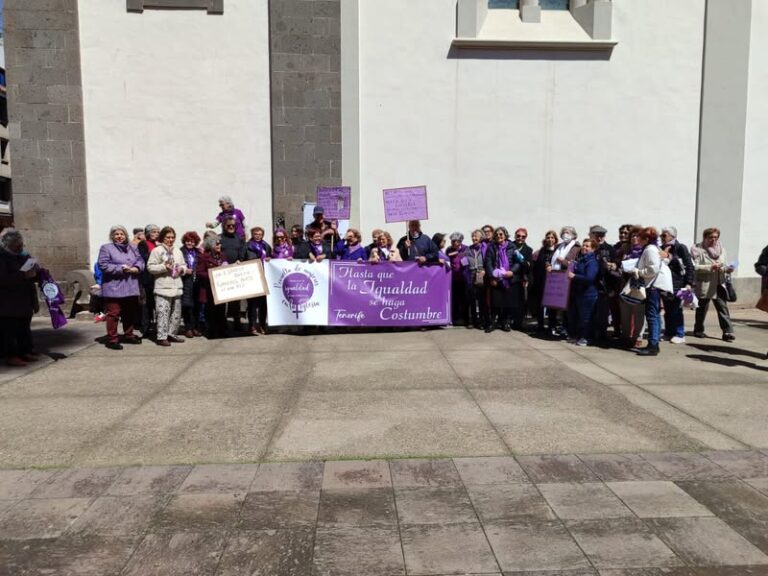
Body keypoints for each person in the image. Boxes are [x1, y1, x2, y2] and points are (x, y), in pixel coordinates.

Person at [97, 225, 145, 350]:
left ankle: (129, 335)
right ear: (112, 236)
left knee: (129, 313)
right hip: (114, 287)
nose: (119, 236)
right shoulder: (106, 248)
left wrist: (136, 268)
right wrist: (121, 269)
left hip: (130, 286)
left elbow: (140, 260)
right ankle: (112, 339)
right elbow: (103, 265)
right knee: (113, 314)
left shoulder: (133, 248)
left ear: (126, 235)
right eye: (116, 234)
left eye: (121, 234)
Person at [0, 229, 40, 366]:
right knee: (10, 330)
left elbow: (32, 270)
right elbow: (3, 279)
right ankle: (11, 355)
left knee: (24, 327)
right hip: (8, 301)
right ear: (8, 245)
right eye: (17, 246)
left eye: (21, 245)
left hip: (24, 298)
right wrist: (22, 275)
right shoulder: (2, 258)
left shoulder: (22, 256)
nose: (20, 248)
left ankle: (25, 351)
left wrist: (36, 270)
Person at [691, 227, 735, 341]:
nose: (713, 240)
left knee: (722, 308)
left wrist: (727, 269)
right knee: (702, 308)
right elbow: (694, 267)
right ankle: (698, 330)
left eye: (716, 237)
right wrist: (710, 267)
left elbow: (723, 265)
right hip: (705, 283)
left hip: (719, 283)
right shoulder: (697, 249)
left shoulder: (722, 249)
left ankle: (727, 332)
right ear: (705, 237)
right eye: (711, 237)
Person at [147, 226, 187, 346]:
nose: (170, 240)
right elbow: (150, 267)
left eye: (172, 237)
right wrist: (164, 267)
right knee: (163, 313)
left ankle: (172, 334)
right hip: (163, 287)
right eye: (167, 237)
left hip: (177, 286)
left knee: (176, 314)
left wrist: (182, 269)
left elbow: (184, 265)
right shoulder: (157, 250)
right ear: (162, 238)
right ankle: (161, 336)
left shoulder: (178, 251)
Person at [484, 226, 525, 333]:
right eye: (497, 234)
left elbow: (518, 262)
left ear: (505, 235)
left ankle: (505, 322)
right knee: (495, 303)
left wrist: (512, 271)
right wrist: (492, 277)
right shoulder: (492, 247)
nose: (499, 236)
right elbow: (488, 262)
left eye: (501, 234)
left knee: (508, 302)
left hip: (510, 279)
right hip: (497, 278)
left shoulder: (512, 247)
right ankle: (492, 322)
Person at [659, 226, 694, 344]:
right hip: (666, 283)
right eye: (661, 236)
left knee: (677, 309)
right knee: (668, 309)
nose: (662, 238)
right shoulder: (661, 248)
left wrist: (689, 282)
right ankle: (669, 332)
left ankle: (680, 333)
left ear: (672, 236)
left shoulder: (680, 248)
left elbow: (688, 265)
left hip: (678, 283)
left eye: (664, 235)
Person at [546, 226, 580, 338]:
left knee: (565, 306)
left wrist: (563, 261)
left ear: (573, 235)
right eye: (564, 232)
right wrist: (548, 265)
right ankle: (552, 326)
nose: (566, 234)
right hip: (554, 278)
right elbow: (549, 258)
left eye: (568, 232)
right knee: (552, 304)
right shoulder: (558, 246)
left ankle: (565, 328)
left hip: (566, 280)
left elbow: (573, 264)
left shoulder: (576, 247)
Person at [633, 227, 662, 356]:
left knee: (652, 316)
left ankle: (653, 345)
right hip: (651, 286)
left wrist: (639, 272)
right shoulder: (651, 249)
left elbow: (653, 269)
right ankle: (653, 343)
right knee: (653, 315)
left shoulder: (650, 250)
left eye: (640, 237)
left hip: (652, 286)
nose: (637, 239)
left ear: (647, 239)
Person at [567, 239, 600, 346]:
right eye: (583, 245)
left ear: (593, 249)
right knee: (578, 317)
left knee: (586, 318)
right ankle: (578, 336)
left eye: (587, 246)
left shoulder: (592, 262)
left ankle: (586, 338)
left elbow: (589, 278)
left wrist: (574, 276)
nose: (584, 248)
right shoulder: (581, 260)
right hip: (579, 293)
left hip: (588, 294)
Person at [588, 225, 617, 343]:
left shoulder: (610, 249)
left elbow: (615, 267)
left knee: (602, 312)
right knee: (590, 311)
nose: (599, 238)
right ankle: (591, 333)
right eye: (596, 235)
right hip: (590, 284)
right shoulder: (588, 247)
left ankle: (602, 335)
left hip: (604, 284)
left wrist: (612, 287)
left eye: (602, 236)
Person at [219, 216, 247, 331]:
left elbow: (242, 251)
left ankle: (237, 322)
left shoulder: (239, 238)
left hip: (235, 271)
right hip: (222, 271)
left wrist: (240, 259)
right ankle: (222, 323)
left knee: (236, 300)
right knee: (222, 300)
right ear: (224, 226)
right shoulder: (219, 238)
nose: (231, 227)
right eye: (229, 225)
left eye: (233, 226)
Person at [529, 230, 558, 332]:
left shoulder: (558, 251)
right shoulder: (542, 251)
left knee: (552, 306)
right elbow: (537, 267)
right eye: (548, 237)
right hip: (541, 281)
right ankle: (540, 325)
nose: (550, 239)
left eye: (552, 237)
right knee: (540, 305)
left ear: (555, 239)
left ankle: (552, 326)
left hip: (553, 282)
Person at [246, 227, 272, 335]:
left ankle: (262, 324)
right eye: (256, 234)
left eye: (260, 234)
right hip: (251, 278)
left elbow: (271, 257)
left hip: (264, 278)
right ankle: (252, 325)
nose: (258, 236)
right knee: (252, 304)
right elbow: (242, 258)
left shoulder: (266, 246)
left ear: (263, 235)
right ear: (252, 234)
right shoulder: (247, 246)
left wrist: (270, 259)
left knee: (263, 304)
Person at [137, 224, 160, 337]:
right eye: (153, 232)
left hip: (157, 278)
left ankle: (156, 326)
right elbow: (144, 257)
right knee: (146, 304)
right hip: (147, 278)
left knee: (156, 304)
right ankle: (145, 328)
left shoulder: (158, 244)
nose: (156, 234)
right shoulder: (143, 244)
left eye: (157, 232)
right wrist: (157, 253)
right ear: (148, 233)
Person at [180, 231, 202, 338]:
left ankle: (195, 327)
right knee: (187, 305)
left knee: (197, 305)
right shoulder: (180, 251)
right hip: (185, 281)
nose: (190, 243)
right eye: (188, 241)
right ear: (184, 241)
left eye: (192, 241)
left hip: (197, 282)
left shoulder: (198, 252)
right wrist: (184, 270)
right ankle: (188, 328)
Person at [446, 232, 470, 326]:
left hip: (464, 278)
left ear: (460, 241)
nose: (452, 243)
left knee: (464, 299)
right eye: (451, 241)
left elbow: (467, 263)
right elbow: (447, 259)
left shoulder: (466, 249)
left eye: (454, 241)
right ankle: (455, 318)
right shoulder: (449, 249)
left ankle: (465, 319)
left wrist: (462, 257)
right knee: (454, 299)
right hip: (453, 278)